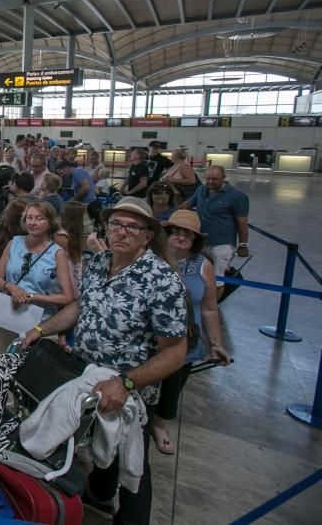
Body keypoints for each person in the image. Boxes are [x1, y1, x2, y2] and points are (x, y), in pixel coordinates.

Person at [23, 197, 189, 524]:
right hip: (88, 377)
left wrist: (125, 383)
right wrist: (41, 329)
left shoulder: (162, 280)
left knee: (133, 465)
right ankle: (98, 496)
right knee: (99, 448)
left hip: (130, 389)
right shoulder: (99, 262)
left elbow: (175, 351)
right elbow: (80, 307)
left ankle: (131, 519)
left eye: (131, 227)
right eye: (115, 224)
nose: (120, 233)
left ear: (147, 235)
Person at [152, 210, 230, 455]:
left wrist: (216, 342)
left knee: (172, 386)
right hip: (150, 338)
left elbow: (208, 307)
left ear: (196, 239)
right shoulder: (151, 258)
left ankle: (160, 424)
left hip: (185, 339)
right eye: (175, 231)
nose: (181, 237)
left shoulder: (203, 265)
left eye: (188, 233)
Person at [0, 201, 74, 353]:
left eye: (39, 218)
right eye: (29, 218)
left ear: (50, 223)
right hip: (9, 313)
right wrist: (10, 287)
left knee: (28, 369)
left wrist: (33, 296)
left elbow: (67, 297)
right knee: (3, 361)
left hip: (39, 321)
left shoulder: (57, 253)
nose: (32, 223)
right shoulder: (14, 243)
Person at [180, 165, 250, 301]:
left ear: (224, 178)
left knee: (217, 279)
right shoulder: (202, 190)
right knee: (197, 274)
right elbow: (187, 205)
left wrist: (243, 244)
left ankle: (212, 306)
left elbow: (242, 222)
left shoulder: (237, 197)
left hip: (221, 244)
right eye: (208, 178)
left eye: (215, 179)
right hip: (200, 242)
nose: (210, 182)